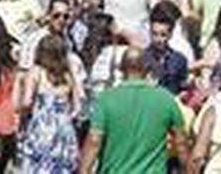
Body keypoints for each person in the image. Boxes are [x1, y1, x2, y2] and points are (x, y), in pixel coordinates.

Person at [80, 46, 187, 174]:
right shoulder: (165, 99)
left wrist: (83, 170)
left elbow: (94, 141)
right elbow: (181, 144)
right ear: (146, 68)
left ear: (121, 69)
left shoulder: (106, 99)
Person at [18, 33, 82, 174]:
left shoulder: (36, 72)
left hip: (41, 128)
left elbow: (27, 102)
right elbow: (77, 107)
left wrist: (23, 114)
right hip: (64, 128)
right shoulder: (68, 75)